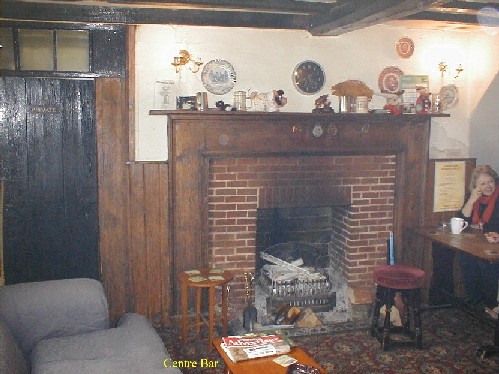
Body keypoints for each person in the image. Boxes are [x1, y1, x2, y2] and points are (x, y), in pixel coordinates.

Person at [458, 165, 499, 316]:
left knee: (486, 261)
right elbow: (461, 220)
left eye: (491, 181)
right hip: (482, 243)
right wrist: (471, 200)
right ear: (475, 186)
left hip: (495, 246)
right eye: (483, 183)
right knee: (465, 257)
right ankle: (476, 301)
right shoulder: (476, 199)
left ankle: (491, 305)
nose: (488, 186)